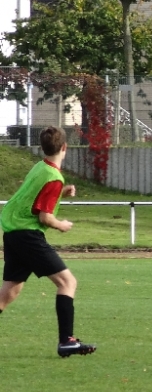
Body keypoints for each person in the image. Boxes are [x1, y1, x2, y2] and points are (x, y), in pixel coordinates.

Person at [0, 126, 96, 357]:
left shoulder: (40, 167)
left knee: (9, 292)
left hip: (12, 232)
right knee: (67, 283)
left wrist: (60, 193)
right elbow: (45, 217)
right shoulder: (54, 177)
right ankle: (67, 341)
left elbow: (32, 196)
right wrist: (61, 224)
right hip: (28, 235)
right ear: (65, 147)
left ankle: (67, 341)